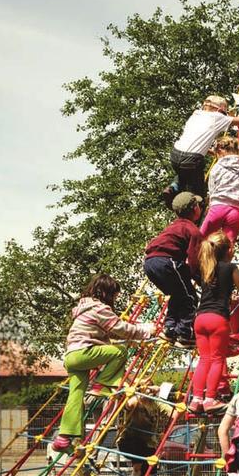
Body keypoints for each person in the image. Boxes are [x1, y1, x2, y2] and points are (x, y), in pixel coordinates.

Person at [52, 275, 154, 453]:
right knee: (119, 352)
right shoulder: (100, 308)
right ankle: (101, 385)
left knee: (75, 396)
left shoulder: (84, 308)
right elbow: (120, 329)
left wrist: (133, 337)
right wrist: (146, 331)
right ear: (106, 293)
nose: (115, 299)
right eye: (114, 295)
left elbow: (112, 333)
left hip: (71, 357)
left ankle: (63, 438)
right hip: (83, 353)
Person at [190, 232, 239, 415]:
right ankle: (210, 400)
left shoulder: (205, 268)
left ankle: (196, 399)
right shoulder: (231, 268)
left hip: (200, 319)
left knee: (204, 359)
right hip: (218, 319)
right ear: (229, 250)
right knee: (217, 359)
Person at [144, 192, 204, 348]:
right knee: (189, 296)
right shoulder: (193, 230)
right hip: (166, 262)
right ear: (194, 208)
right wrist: (201, 279)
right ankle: (185, 333)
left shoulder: (173, 225)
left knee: (178, 295)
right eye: (198, 205)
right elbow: (194, 260)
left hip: (150, 263)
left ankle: (169, 329)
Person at [166, 94, 239, 202]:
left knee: (184, 172)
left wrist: (212, 152)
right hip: (191, 160)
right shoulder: (217, 117)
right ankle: (196, 208)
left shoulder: (196, 114)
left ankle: (173, 187)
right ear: (218, 109)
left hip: (175, 155)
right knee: (199, 193)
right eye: (224, 112)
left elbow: (195, 141)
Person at [200, 136, 239, 244]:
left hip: (218, 207)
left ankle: (191, 259)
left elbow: (212, 186)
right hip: (238, 211)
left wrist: (211, 202)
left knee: (201, 239)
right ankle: (224, 260)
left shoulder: (219, 165)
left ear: (220, 150)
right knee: (228, 245)